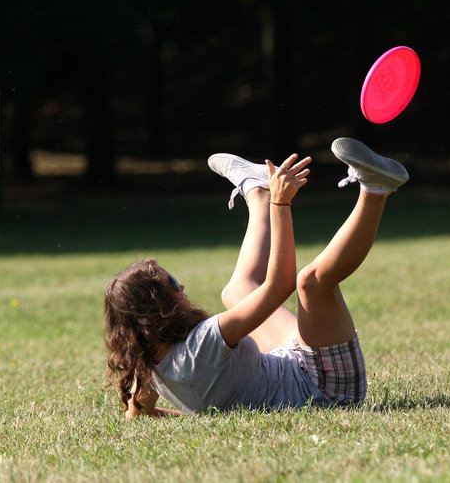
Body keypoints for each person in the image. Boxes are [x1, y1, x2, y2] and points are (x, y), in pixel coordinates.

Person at [104, 137, 409, 418]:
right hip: (326, 389)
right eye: (172, 284)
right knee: (312, 282)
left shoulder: (148, 366)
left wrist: (202, 417)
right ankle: (376, 189)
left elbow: (137, 413)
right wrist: (282, 204)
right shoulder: (203, 344)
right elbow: (279, 286)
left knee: (237, 291)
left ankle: (257, 190)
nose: (182, 287)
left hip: (291, 363)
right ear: (158, 309)